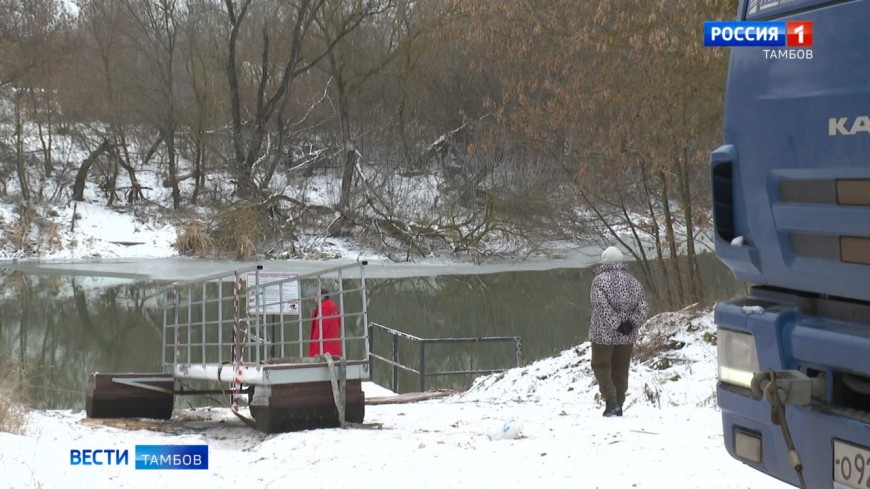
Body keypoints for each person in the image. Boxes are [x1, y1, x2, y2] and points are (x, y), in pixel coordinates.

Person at [588, 246, 648, 417]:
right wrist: (630, 323)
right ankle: (619, 404)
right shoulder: (633, 281)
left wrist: (615, 324)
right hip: (627, 335)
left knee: (601, 365)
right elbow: (643, 306)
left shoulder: (599, 281)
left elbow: (600, 306)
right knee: (621, 368)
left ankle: (611, 401)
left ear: (604, 261)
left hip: (603, 334)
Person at [309, 288, 343, 357]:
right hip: (332, 346)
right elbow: (339, 322)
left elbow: (320, 327)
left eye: (316, 295)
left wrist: (315, 341)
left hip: (323, 348)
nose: (314, 297)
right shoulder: (333, 307)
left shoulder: (323, 309)